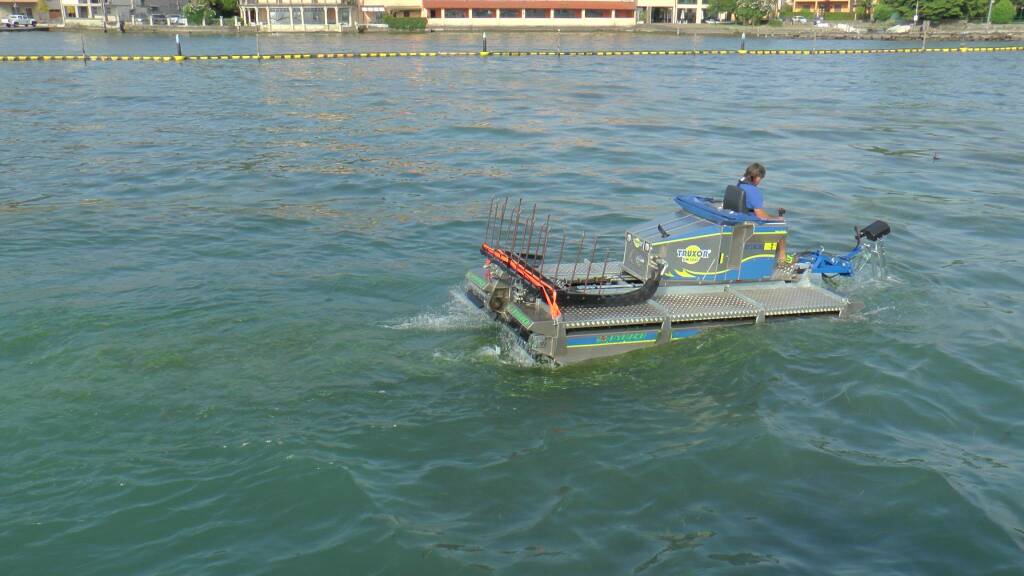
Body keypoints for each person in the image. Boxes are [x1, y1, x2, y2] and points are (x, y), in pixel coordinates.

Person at [737, 163, 789, 265]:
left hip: (741, 216)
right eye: (761, 178)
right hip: (750, 222)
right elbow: (760, 215)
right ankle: (782, 259)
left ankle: (773, 254)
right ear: (757, 178)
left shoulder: (740, 185)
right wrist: (776, 219)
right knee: (781, 227)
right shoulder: (753, 191)